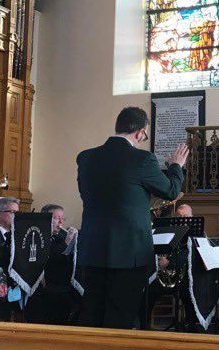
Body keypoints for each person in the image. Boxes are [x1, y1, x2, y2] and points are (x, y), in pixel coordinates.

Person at [77, 106, 189, 329]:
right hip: (128, 253)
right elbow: (171, 191)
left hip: (93, 248)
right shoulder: (142, 159)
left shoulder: (86, 158)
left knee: (91, 312)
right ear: (140, 132)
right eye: (144, 135)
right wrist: (176, 166)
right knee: (120, 314)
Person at [25, 204, 81, 325]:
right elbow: (47, 261)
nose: (60, 221)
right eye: (56, 218)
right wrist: (65, 244)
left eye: (62, 218)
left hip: (63, 288)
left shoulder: (62, 235)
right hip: (44, 291)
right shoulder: (36, 236)